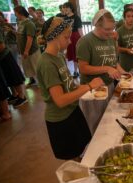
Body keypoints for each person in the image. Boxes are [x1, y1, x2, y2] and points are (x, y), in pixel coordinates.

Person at [36, 17, 104, 160]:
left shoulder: (59, 57)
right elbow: (60, 100)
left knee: (82, 151)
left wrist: (85, 88)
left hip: (72, 112)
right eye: (67, 37)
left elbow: (69, 86)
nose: (70, 41)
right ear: (55, 37)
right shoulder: (47, 63)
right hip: (61, 120)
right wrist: (89, 86)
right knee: (73, 158)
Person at [76, 9, 126, 134]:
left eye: (112, 28)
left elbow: (113, 62)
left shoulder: (110, 39)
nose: (111, 32)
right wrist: (107, 68)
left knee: (106, 123)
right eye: (107, 29)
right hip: (92, 91)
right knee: (93, 127)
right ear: (97, 25)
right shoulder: (85, 41)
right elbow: (83, 68)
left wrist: (125, 74)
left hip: (109, 87)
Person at [0, 20, 27, 108]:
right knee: (8, 78)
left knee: (14, 77)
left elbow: (1, 45)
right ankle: (15, 95)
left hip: (4, 56)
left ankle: (22, 96)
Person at [14, 6, 40, 86]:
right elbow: (20, 35)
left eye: (15, 13)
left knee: (36, 67)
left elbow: (30, 38)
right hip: (23, 50)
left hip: (31, 50)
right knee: (29, 68)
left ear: (20, 13)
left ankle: (42, 83)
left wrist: (26, 51)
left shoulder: (29, 23)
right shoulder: (20, 23)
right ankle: (34, 81)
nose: (15, 14)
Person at [62, 2, 83, 78]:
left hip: (75, 37)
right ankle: (74, 71)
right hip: (67, 37)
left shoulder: (76, 17)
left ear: (71, 8)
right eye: (63, 7)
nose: (64, 9)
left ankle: (78, 71)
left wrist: (82, 40)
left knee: (77, 55)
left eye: (66, 7)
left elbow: (80, 30)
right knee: (71, 55)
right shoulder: (64, 18)